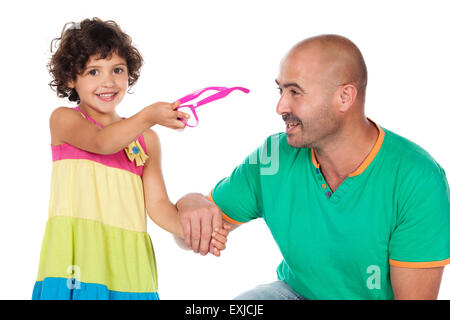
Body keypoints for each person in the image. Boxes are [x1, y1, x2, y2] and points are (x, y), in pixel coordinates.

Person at [175, 34, 450, 300]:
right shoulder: (274, 156)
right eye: (280, 90)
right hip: (293, 293)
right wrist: (190, 203)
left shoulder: (417, 178)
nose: (280, 106)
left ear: (344, 97)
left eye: (295, 91)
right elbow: (188, 237)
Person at [32, 17, 229, 300]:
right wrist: (149, 116)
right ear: (70, 79)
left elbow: (159, 206)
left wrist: (199, 233)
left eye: (117, 69)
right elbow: (102, 143)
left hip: (128, 266)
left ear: (129, 73)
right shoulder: (64, 120)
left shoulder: (146, 139)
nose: (108, 82)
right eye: (93, 72)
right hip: (75, 264)